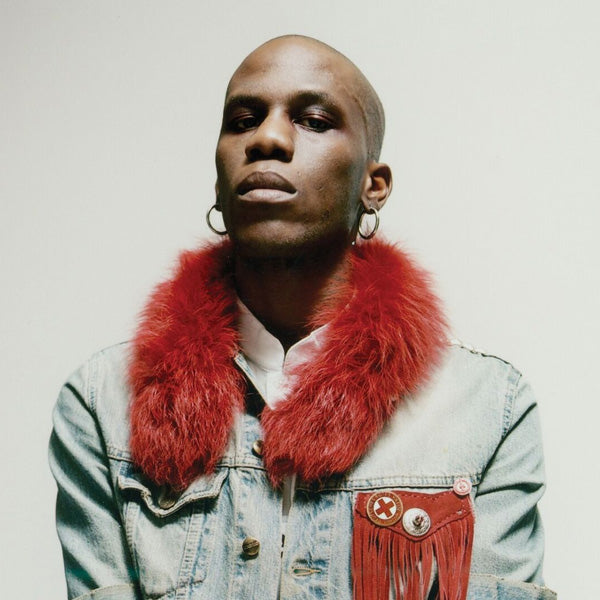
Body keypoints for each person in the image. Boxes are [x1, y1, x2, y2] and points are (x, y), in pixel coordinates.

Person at [49, 35, 556, 600]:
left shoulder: (489, 409)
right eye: (242, 121)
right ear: (217, 179)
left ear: (373, 185)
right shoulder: (101, 403)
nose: (266, 138)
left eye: (314, 120)